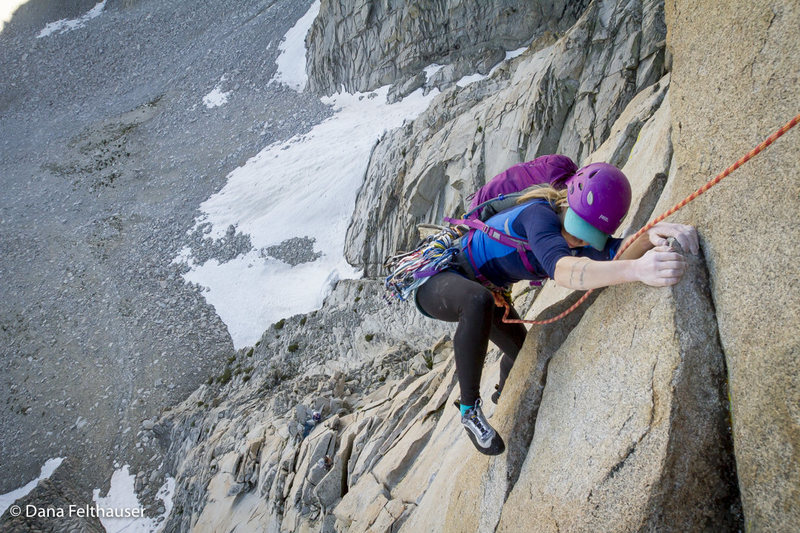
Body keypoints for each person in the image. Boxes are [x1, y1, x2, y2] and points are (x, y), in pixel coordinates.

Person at [414, 162, 698, 455]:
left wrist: (651, 234)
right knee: (476, 302)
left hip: (487, 289)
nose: (581, 240)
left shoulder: (575, 233)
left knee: (521, 354)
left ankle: (503, 393)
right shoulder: (538, 215)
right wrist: (637, 270)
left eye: (590, 235)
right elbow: (563, 271)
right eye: (580, 229)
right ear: (568, 204)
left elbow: (615, 251)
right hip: (441, 279)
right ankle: (469, 410)